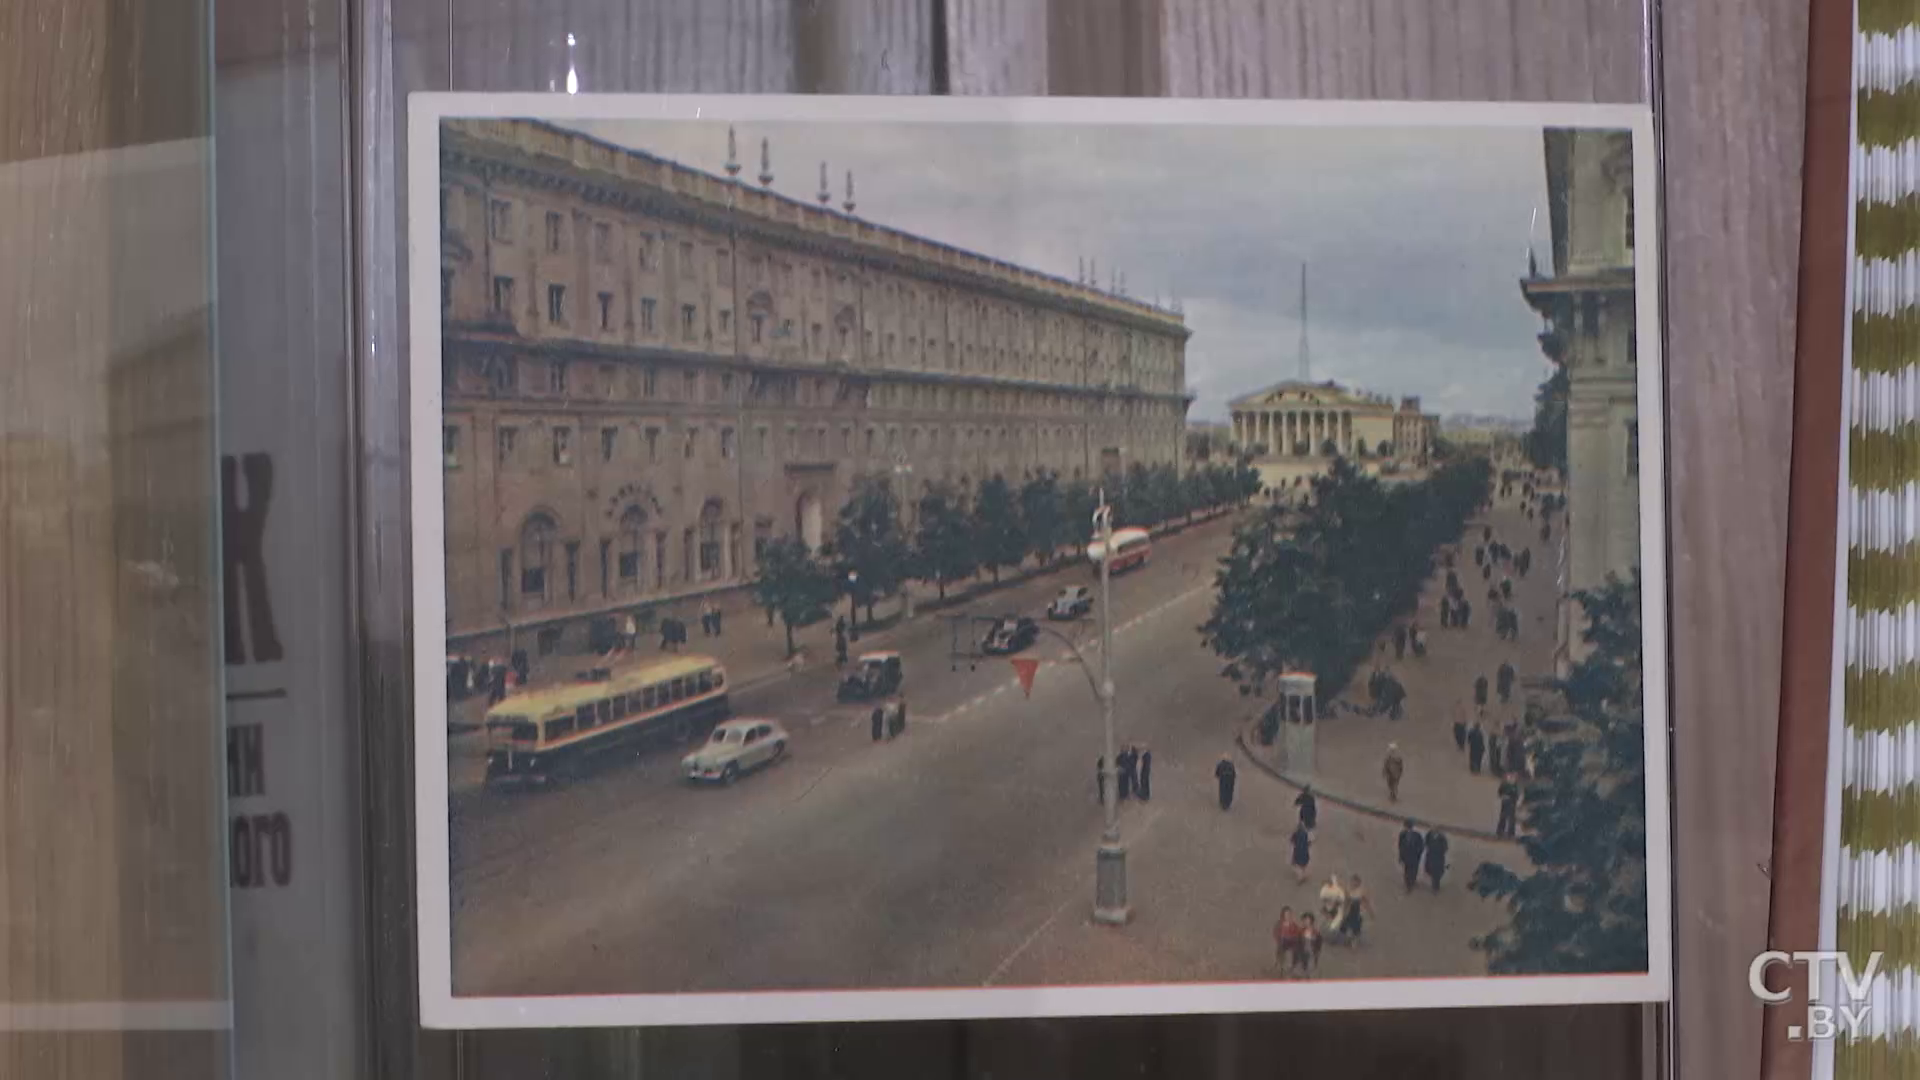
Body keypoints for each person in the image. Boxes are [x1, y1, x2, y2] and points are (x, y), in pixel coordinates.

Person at [1338, 875, 1373, 944]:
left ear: (1359, 883)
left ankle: (1354, 940)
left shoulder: (1361, 892)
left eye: (1356, 882)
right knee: (1345, 926)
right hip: (1350, 911)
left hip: (1358, 912)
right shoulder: (1348, 891)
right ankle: (1350, 938)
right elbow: (1346, 902)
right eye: (1353, 882)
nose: (1354, 884)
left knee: (1356, 927)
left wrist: (1371, 912)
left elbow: (1366, 902)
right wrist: (1343, 911)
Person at [1397, 819, 1426, 893]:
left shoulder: (1417, 835)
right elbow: (1400, 846)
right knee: (1407, 871)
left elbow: (1421, 846)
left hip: (1414, 857)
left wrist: (1418, 854)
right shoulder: (1402, 835)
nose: (1407, 828)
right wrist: (1401, 856)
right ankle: (1408, 885)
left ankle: (1412, 882)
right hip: (1406, 856)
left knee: (1413, 871)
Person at [1423, 827, 1450, 892]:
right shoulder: (1429, 835)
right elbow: (1426, 842)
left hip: (1438, 857)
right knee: (1431, 870)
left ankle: (1435, 887)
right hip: (1430, 856)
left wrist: (1440, 852)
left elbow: (1445, 848)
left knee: (1437, 873)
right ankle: (1434, 884)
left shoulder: (1442, 838)